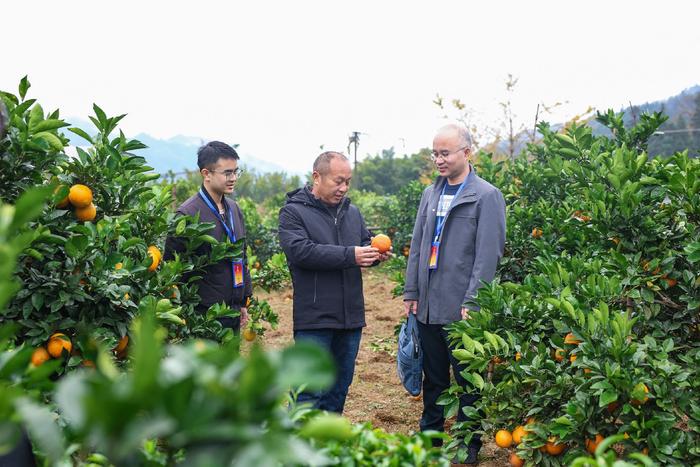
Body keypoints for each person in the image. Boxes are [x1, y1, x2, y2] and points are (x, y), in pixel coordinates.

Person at [403, 124, 506, 466]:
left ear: (466, 152)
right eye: (435, 153)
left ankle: (468, 444)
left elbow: (487, 254)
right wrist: (412, 291)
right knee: (432, 377)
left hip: (461, 306)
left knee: (466, 381)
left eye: (445, 153)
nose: (439, 160)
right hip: (429, 304)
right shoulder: (430, 194)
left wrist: (474, 301)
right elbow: (418, 245)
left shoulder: (486, 195)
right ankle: (430, 438)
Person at [278, 151, 389, 413]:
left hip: (350, 318)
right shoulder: (293, 212)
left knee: (338, 391)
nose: (344, 188)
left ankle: (329, 451)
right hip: (314, 319)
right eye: (338, 181)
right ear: (317, 177)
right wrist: (352, 255)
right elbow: (301, 251)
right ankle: (300, 451)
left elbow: (363, 244)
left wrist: (374, 254)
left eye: (348, 181)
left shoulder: (352, 212)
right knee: (307, 394)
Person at [165, 141, 251, 332]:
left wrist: (243, 299)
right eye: (227, 173)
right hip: (203, 316)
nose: (234, 178)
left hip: (232, 309)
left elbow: (242, 256)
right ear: (206, 174)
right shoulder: (187, 214)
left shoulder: (234, 209)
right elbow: (172, 267)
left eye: (236, 171)